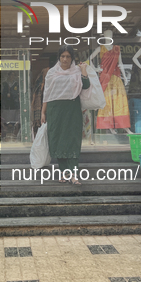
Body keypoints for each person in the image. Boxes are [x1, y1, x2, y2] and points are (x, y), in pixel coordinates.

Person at [41, 46, 90, 185]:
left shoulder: (77, 71)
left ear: (72, 58)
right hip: (55, 110)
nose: (65, 59)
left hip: (72, 109)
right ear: (59, 57)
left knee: (73, 141)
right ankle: (64, 173)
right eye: (62, 56)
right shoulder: (51, 73)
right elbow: (47, 94)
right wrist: (43, 112)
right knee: (58, 141)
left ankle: (74, 175)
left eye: (68, 56)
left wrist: (84, 70)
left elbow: (85, 85)